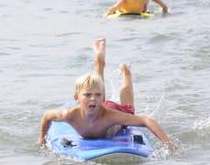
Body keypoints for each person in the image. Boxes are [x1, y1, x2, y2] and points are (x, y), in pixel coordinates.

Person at [37, 38, 176, 150]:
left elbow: (147, 121)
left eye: (98, 95)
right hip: (101, 108)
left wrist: (168, 144)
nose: (93, 98)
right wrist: (41, 138)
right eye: (87, 95)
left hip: (109, 110)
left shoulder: (111, 117)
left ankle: (126, 73)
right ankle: (99, 62)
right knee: (96, 88)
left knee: (129, 109)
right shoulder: (69, 114)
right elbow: (47, 116)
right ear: (76, 98)